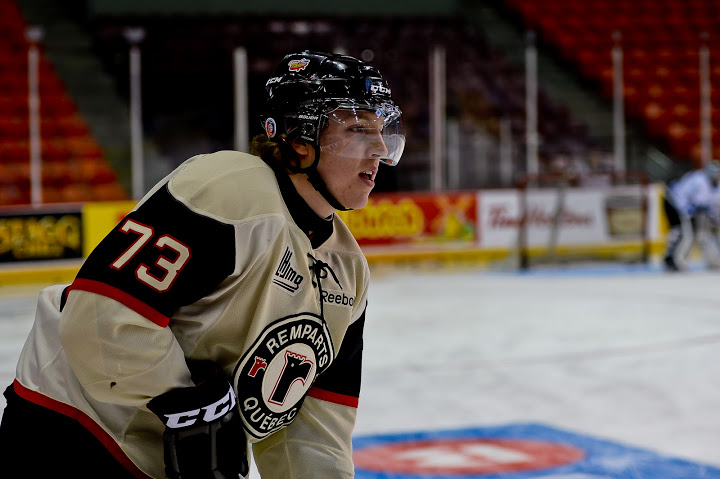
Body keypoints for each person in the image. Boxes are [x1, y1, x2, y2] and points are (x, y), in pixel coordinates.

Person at [0, 50, 404, 478]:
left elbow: (313, 431)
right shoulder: (229, 190)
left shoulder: (348, 270)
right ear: (299, 137)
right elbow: (100, 317)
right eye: (358, 129)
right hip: (72, 425)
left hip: (166, 461)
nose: (380, 149)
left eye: (382, 130)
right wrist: (193, 405)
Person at [663, 160, 720, 271]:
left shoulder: (717, 186)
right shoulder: (697, 180)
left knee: (703, 234)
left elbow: (711, 206)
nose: (718, 176)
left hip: (694, 210)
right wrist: (686, 211)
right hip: (675, 204)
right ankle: (675, 260)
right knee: (685, 234)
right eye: (716, 173)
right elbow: (680, 194)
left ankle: (712, 260)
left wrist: (716, 218)